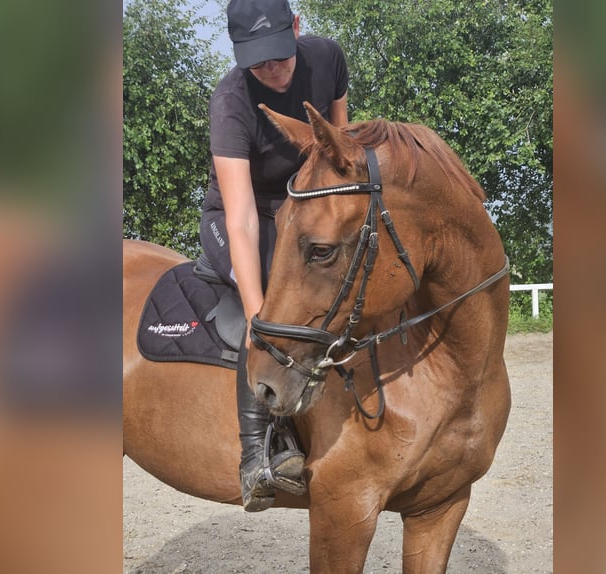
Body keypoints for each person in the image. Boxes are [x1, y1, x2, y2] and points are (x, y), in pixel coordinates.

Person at [199, 0, 349, 512]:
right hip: (242, 216)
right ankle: (256, 454)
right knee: (268, 303)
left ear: (298, 28)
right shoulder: (230, 100)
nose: (272, 69)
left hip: (302, 204)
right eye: (258, 60)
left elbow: (339, 156)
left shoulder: (328, 58)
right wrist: (258, 310)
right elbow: (240, 218)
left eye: (279, 56)